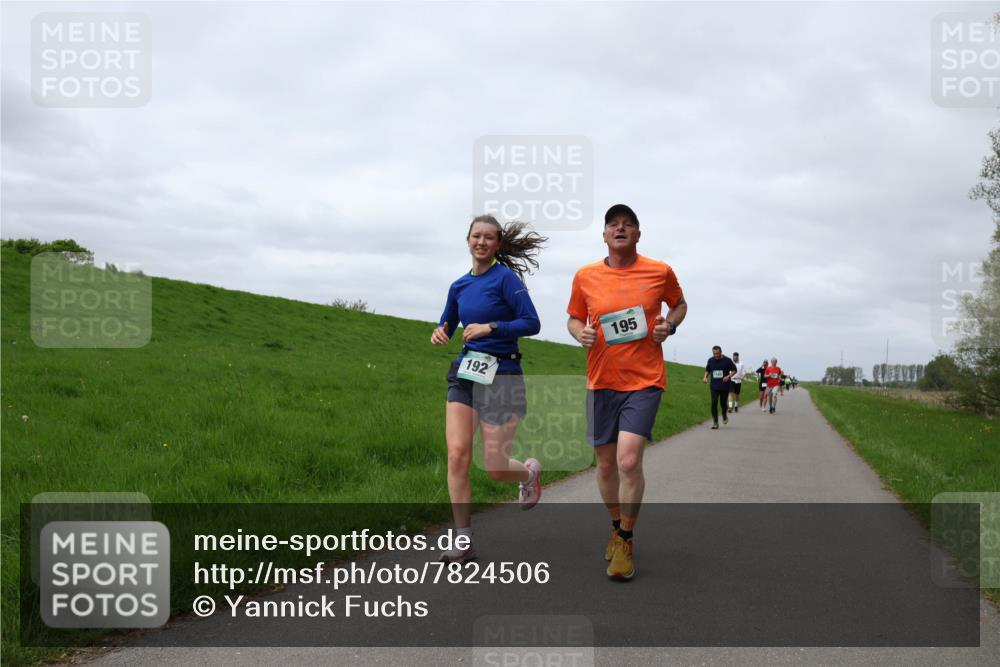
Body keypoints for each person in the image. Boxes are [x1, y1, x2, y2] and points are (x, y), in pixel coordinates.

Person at [566, 203, 687, 581]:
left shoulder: (659, 271)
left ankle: (626, 540)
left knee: (629, 461)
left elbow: (679, 305)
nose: (620, 228)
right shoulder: (585, 275)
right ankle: (616, 525)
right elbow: (573, 317)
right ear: (604, 234)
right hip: (601, 381)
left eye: (628, 224)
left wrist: (669, 325)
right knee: (605, 465)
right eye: (613, 224)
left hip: (644, 380)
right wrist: (580, 333)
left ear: (638, 234)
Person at [431, 215, 547, 563]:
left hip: (503, 374)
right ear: (468, 240)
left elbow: (532, 322)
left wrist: (491, 327)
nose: (481, 242)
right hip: (466, 373)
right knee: (457, 455)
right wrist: (440, 332)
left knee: (495, 467)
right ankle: (463, 539)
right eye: (476, 236)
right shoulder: (459, 286)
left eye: (488, 237)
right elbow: (448, 322)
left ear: (498, 244)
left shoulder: (506, 279)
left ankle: (528, 473)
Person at [703, 346, 737, 429]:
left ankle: (724, 415)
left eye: (717, 353)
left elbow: (734, 370)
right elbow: (708, 370)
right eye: (714, 353)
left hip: (724, 386)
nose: (716, 355)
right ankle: (715, 422)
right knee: (714, 403)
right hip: (714, 386)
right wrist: (705, 377)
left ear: (721, 352)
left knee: (723, 403)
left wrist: (728, 377)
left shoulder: (727, 360)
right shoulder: (710, 360)